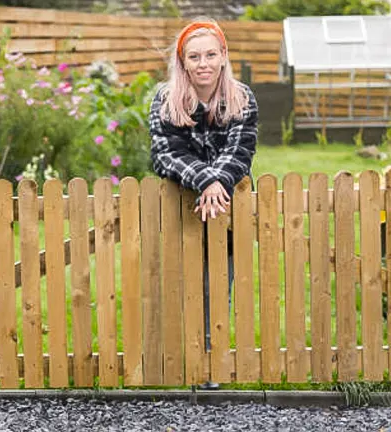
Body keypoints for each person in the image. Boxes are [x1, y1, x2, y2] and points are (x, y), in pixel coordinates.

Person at [148, 18, 259, 389]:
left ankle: (210, 369)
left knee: (218, 286)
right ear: (183, 62)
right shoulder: (166, 100)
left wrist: (217, 182)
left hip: (226, 210)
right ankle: (180, 364)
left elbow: (240, 151)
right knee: (181, 287)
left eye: (211, 54)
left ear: (224, 56)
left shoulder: (242, 98)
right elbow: (167, 155)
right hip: (181, 208)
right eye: (194, 56)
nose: (203, 63)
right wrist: (205, 180)